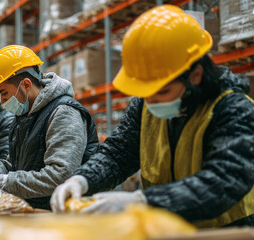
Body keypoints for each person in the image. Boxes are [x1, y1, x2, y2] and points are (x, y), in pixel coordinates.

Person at [50, 5, 254, 228]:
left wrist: (143, 202)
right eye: (146, 93)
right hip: (167, 229)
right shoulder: (145, 104)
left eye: (163, 91)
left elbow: (224, 181)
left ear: (195, 75)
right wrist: (83, 179)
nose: (151, 102)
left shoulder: (233, 110)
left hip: (229, 230)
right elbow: (118, 153)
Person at [0, 45, 99, 209]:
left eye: (4, 93)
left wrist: (0, 182)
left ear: (26, 84)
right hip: (34, 209)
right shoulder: (23, 116)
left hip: (59, 214)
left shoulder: (63, 113)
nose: (2, 102)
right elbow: (11, 162)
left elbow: (60, 176)